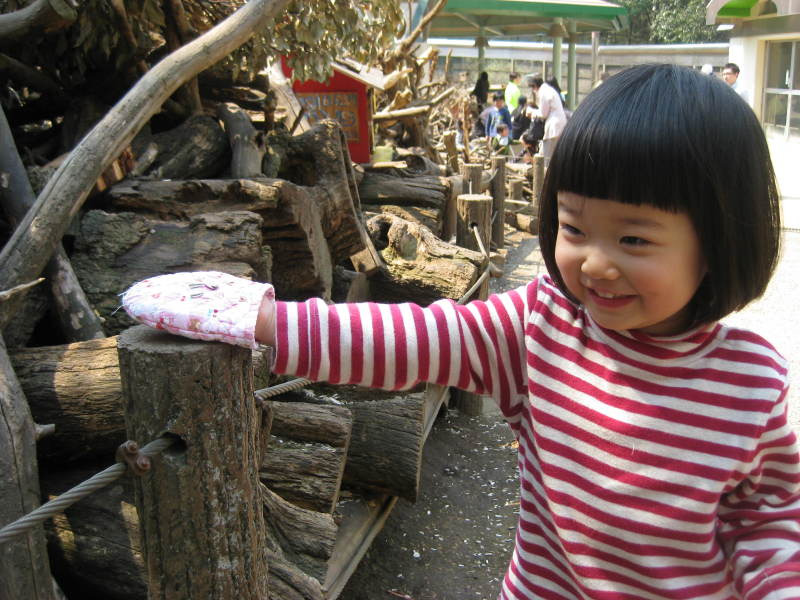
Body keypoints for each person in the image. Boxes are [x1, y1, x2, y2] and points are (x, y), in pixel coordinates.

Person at [122, 64, 800, 600]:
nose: (595, 262)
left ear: (715, 241)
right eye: (574, 227)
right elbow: (406, 340)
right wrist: (259, 319)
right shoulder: (538, 328)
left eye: (633, 237)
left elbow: (765, 517)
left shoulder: (753, 383)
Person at [526, 74, 568, 166]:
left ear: (535, 86)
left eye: (532, 87)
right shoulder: (548, 90)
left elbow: (543, 114)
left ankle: (542, 178)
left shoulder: (543, 92)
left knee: (544, 156)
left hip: (553, 126)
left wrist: (531, 112)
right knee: (554, 156)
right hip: (559, 125)